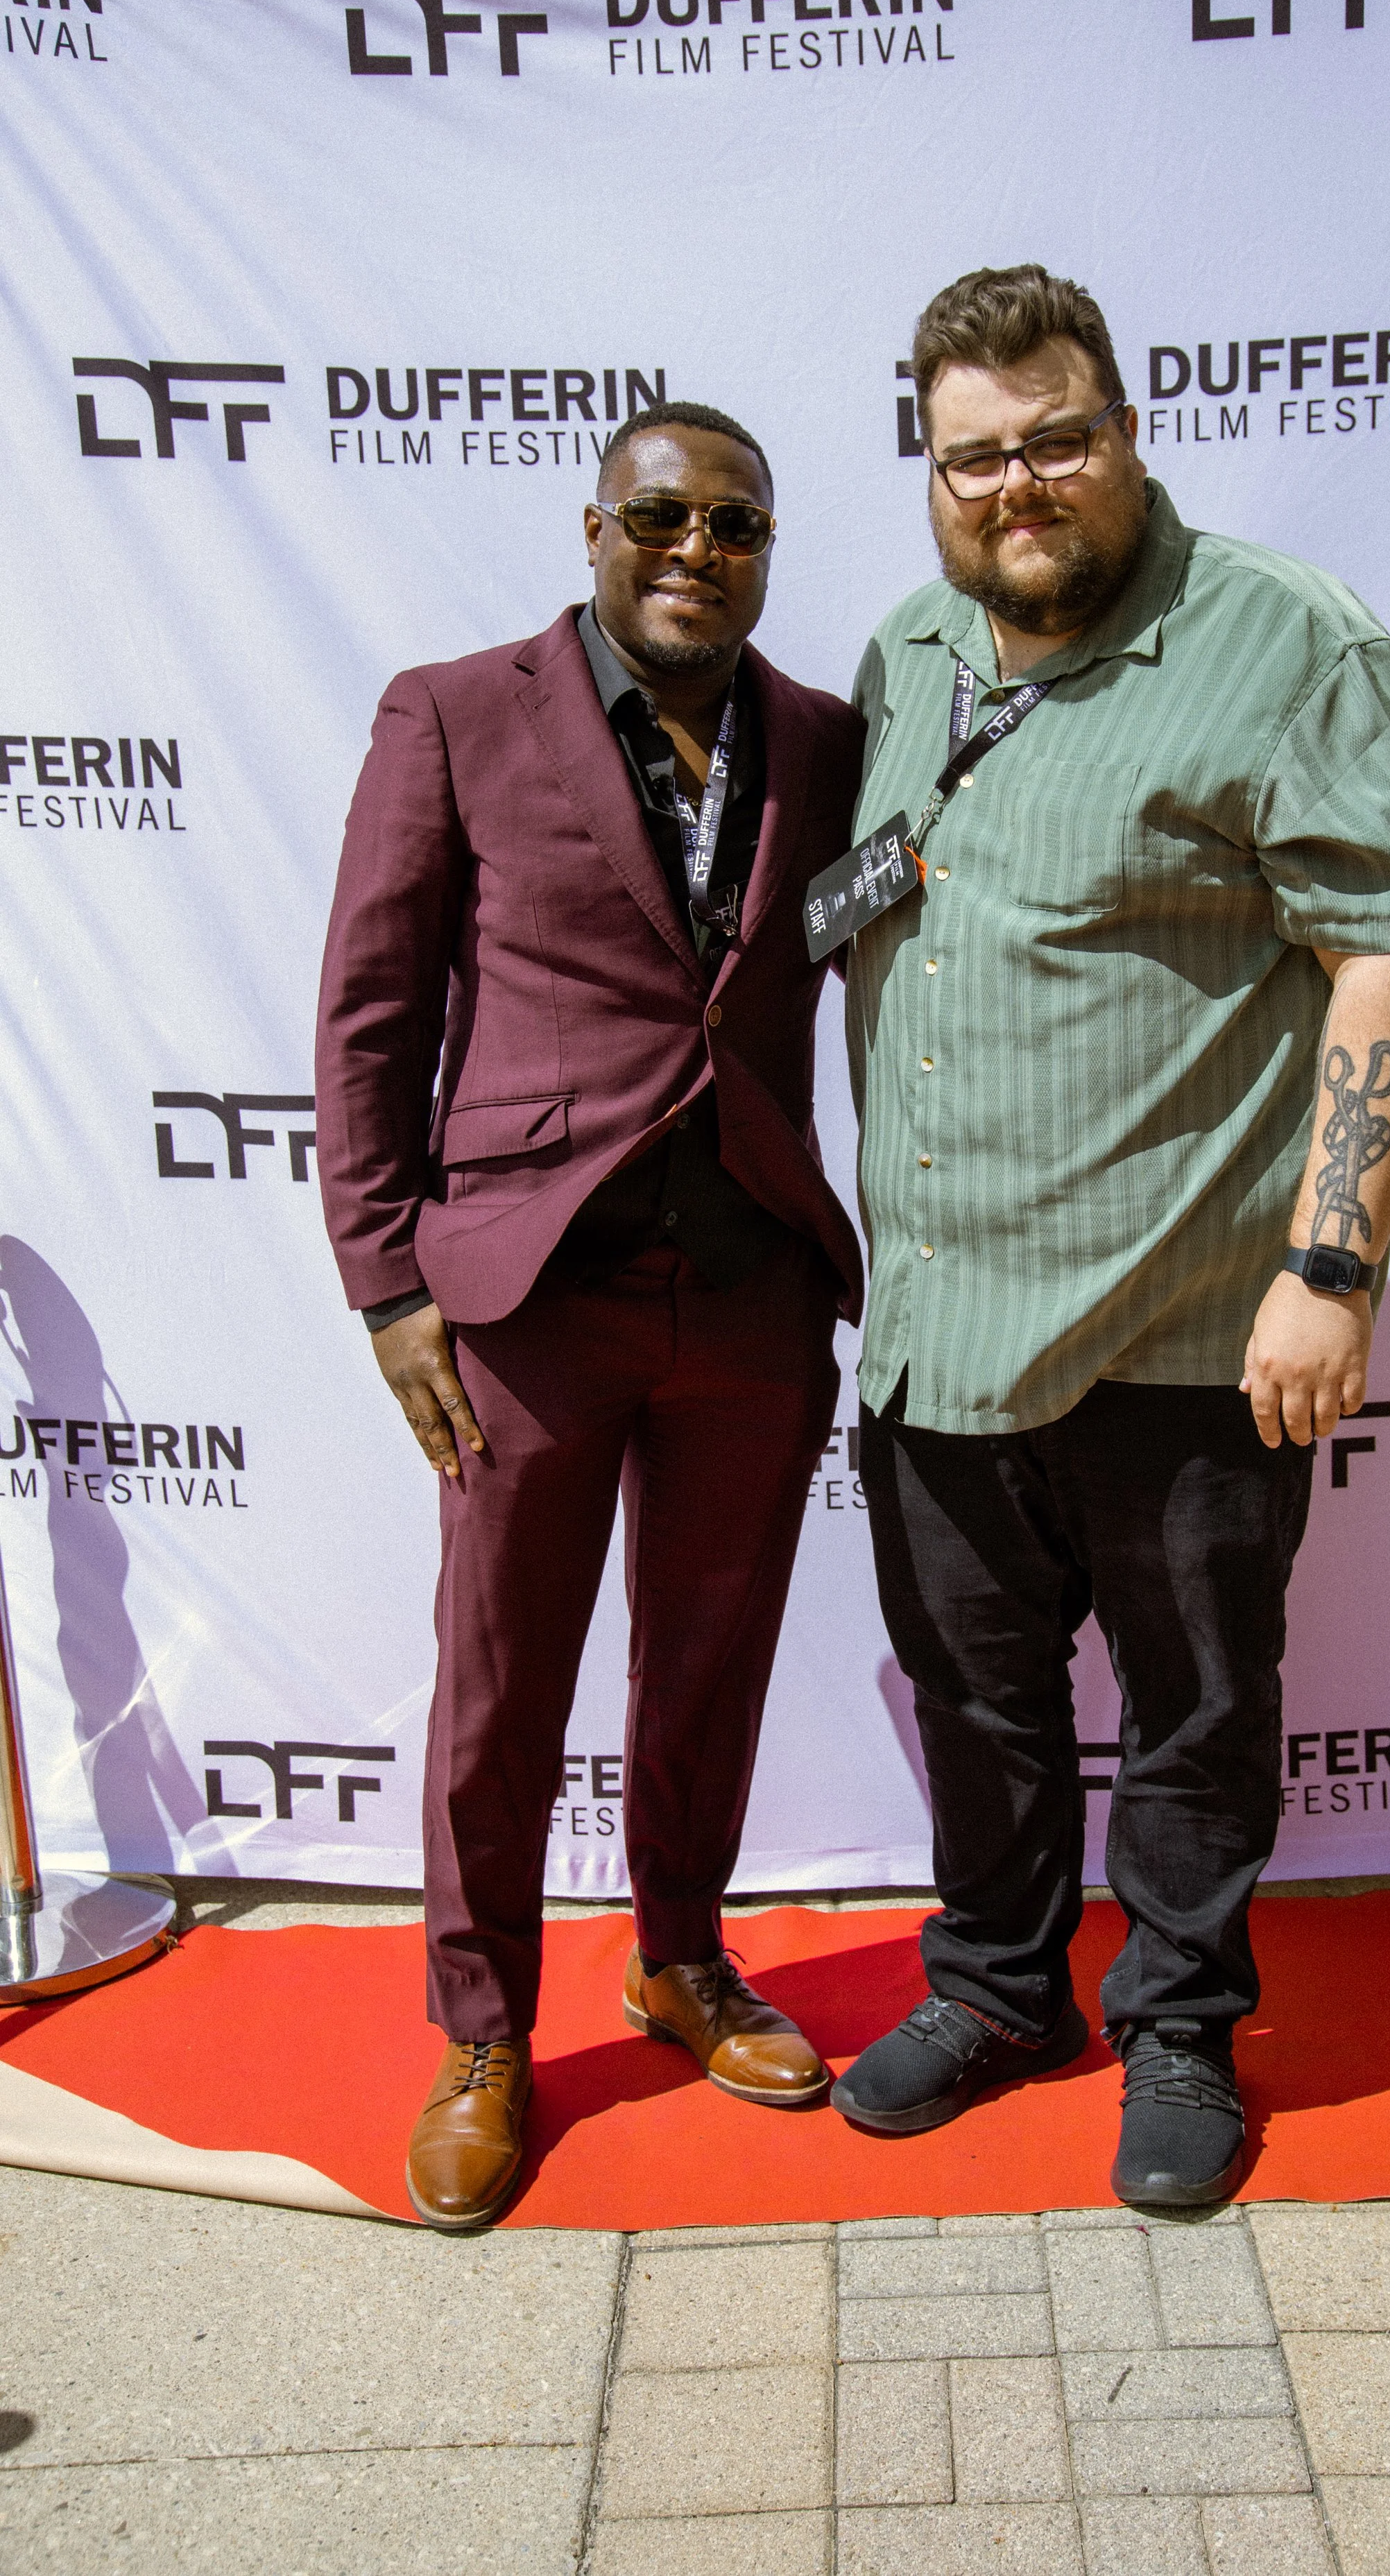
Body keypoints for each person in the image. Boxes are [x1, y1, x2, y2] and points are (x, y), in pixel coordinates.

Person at [831, 266, 1390, 2208]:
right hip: (941, 1324)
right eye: (971, 456)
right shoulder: (905, 651)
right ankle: (995, 1985)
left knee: (1192, 1706)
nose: (1013, 484)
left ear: (1121, 427)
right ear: (928, 470)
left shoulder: (1288, 646)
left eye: (1052, 439)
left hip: (1188, 1322)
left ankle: (1178, 2020)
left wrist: (1329, 1264)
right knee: (978, 1698)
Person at [316, 402, 864, 2231]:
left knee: (704, 1660)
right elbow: (372, 1010)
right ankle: (483, 2033)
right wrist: (388, 1279)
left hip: (754, 1289)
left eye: (736, 524)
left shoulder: (822, 741)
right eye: (662, 518)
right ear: (593, 527)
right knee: (502, 1685)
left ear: (767, 549)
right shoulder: (457, 713)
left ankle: (681, 1960)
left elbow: (860, 934)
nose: (696, 549)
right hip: (527, 1296)